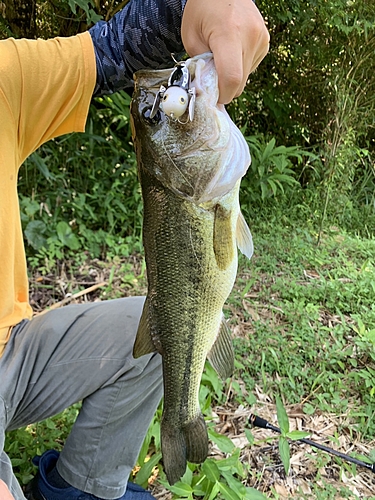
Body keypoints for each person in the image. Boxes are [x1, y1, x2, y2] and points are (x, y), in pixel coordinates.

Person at [0, 0, 269, 499]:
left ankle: (77, 487)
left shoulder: (4, 78)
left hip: (10, 352)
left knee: (150, 331)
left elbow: (117, 46)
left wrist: (194, 6)